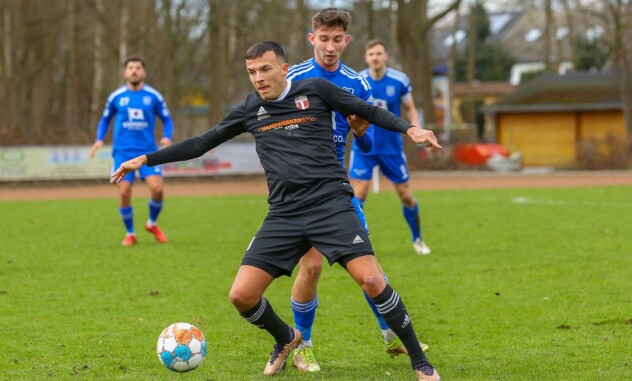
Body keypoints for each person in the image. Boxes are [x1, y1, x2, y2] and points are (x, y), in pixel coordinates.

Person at [111, 41, 442, 381]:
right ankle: (286, 338)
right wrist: (147, 158)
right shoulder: (249, 109)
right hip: (284, 214)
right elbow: (201, 142)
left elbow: (368, 110)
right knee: (241, 295)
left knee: (372, 279)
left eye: (265, 69)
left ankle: (419, 361)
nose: (258, 78)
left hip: (331, 205)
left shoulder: (315, 89)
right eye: (252, 72)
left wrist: (410, 128)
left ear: (284, 69)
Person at [285, 8, 427, 373]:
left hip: (337, 188)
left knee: (369, 270)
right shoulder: (292, 78)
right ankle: (303, 346)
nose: (330, 46)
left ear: (346, 41)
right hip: (301, 191)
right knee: (312, 266)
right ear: (311, 38)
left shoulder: (357, 84)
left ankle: (391, 336)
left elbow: (365, 146)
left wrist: (361, 133)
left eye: (337, 39)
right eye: (323, 38)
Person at [349, 40, 432, 256]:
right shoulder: (358, 80)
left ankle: (417, 239)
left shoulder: (399, 80)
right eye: (371, 54)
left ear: (386, 56)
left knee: (405, 195)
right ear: (366, 57)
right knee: (359, 192)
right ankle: (357, 246)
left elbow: (410, 108)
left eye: (379, 53)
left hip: (391, 149)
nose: (375, 57)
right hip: (364, 146)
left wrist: (416, 129)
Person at [90, 56, 174, 246]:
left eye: (137, 68)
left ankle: (152, 224)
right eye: (130, 68)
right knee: (124, 192)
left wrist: (167, 136)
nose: (134, 71)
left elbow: (167, 120)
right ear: (125, 72)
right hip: (123, 152)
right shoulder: (116, 97)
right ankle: (130, 233)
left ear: (144, 72)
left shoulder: (153, 96)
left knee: (157, 189)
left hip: (147, 152)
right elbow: (104, 120)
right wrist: (99, 139)